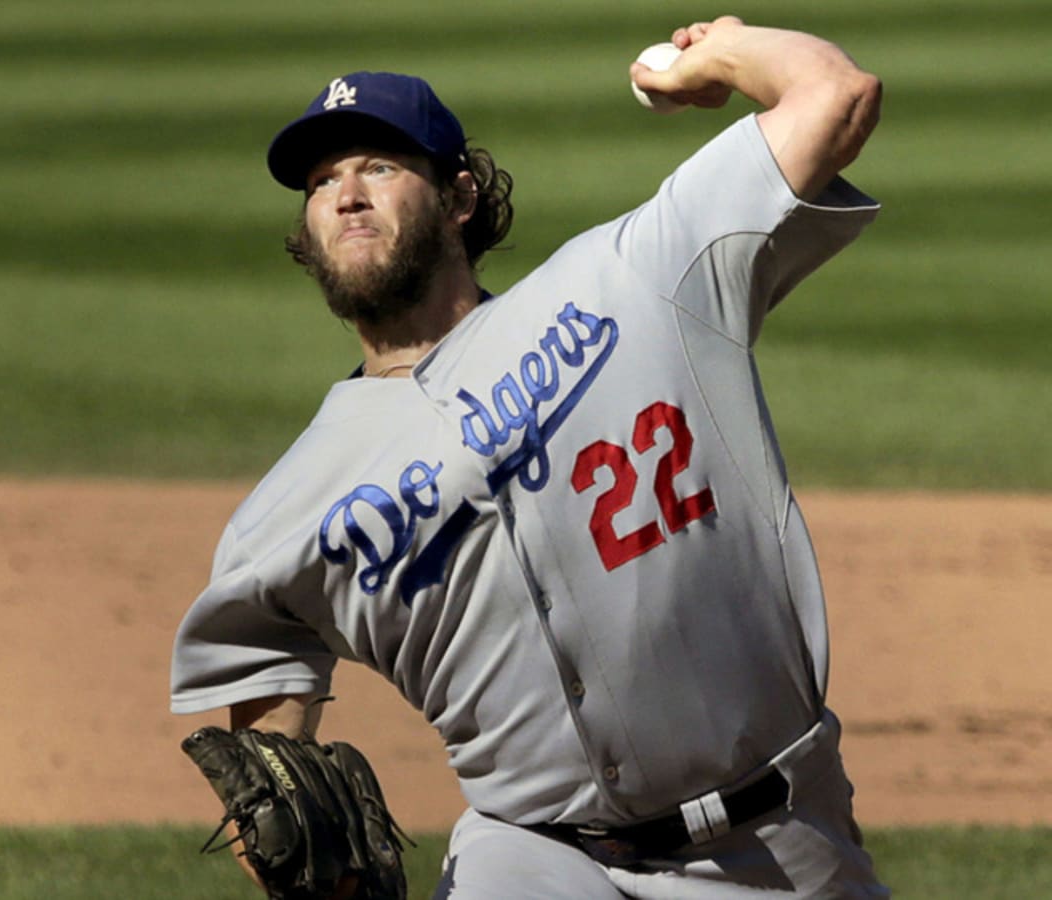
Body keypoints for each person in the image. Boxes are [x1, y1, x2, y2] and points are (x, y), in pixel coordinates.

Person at [171, 15, 887, 899]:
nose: (346, 194)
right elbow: (271, 791)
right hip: (532, 855)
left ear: (459, 197)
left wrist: (723, 50)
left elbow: (834, 95)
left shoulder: (632, 278)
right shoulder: (282, 517)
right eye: (322, 182)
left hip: (776, 840)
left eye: (379, 167)